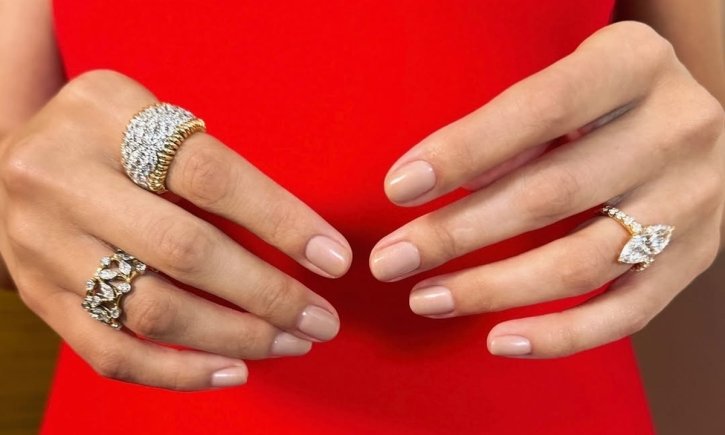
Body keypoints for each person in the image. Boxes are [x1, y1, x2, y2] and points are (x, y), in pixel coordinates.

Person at [0, 0, 723, 433]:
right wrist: (22, 200)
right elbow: (19, 170)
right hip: (153, 399)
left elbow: (701, 134)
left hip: (542, 400)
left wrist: (699, 164)